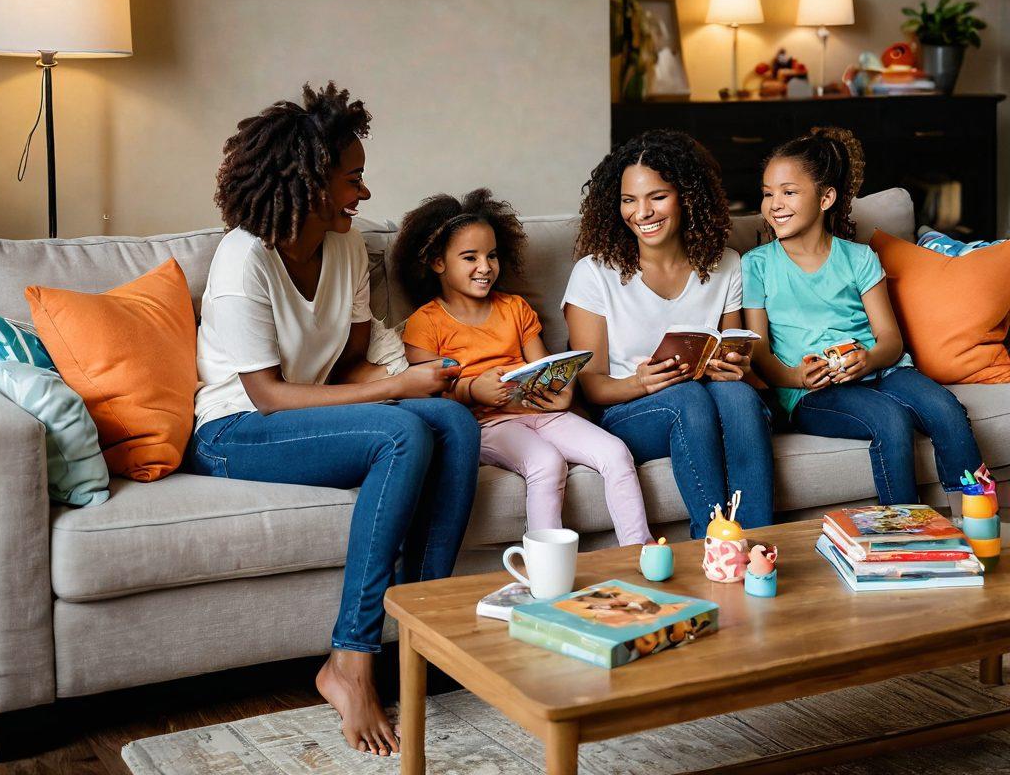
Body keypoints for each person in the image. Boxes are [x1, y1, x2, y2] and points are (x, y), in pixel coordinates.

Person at [189, 83, 481, 758]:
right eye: (353, 179)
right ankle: (350, 660)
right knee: (402, 431)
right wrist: (398, 391)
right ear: (310, 182)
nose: (364, 192)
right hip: (232, 432)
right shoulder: (244, 259)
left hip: (302, 416)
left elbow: (349, 361)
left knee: (452, 423)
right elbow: (267, 395)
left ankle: (419, 641)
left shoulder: (346, 246)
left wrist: (425, 380)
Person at [394, 189, 653, 546]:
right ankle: (546, 567)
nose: (485, 267)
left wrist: (564, 393)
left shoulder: (515, 308)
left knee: (616, 452)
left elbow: (546, 365)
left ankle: (638, 551)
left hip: (542, 412)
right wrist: (472, 390)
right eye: (470, 257)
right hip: (486, 424)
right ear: (438, 263)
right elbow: (426, 397)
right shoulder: (425, 323)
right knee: (546, 463)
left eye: (492, 255)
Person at [743, 125, 982, 505]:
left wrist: (868, 359)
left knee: (946, 409)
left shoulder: (859, 258)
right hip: (812, 390)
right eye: (768, 193)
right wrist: (796, 377)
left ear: (826, 198)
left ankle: (974, 515)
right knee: (890, 419)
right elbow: (758, 351)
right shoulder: (756, 265)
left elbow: (890, 340)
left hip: (883, 370)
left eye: (788, 192)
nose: (775, 204)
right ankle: (905, 529)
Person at [563, 130, 774, 538]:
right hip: (630, 411)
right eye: (629, 200)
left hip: (707, 400)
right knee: (687, 397)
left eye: (657, 197)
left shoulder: (727, 264)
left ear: (687, 196)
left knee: (738, 395)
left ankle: (761, 546)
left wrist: (734, 368)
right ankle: (712, 544)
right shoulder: (594, 273)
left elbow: (731, 352)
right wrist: (640, 383)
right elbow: (592, 387)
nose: (642, 212)